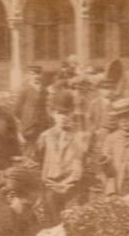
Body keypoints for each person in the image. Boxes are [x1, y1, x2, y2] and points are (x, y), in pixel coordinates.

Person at [36, 92, 90, 224]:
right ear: (53, 113)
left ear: (72, 113)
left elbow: (85, 162)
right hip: (51, 187)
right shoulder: (45, 137)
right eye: (59, 113)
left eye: (66, 113)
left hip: (72, 189)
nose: (63, 117)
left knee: (73, 225)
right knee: (51, 225)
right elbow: (39, 160)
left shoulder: (80, 137)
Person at [14, 66, 50, 155]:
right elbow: (17, 109)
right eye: (33, 74)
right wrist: (26, 118)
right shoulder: (24, 90)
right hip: (29, 125)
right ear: (29, 75)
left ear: (41, 75)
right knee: (29, 150)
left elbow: (45, 107)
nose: (36, 76)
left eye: (38, 73)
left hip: (41, 124)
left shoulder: (44, 90)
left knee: (41, 149)